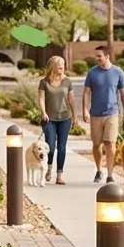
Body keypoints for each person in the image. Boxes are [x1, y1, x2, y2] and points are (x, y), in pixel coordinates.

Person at [82, 45, 124, 183]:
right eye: (96, 56)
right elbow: (86, 92)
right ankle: (99, 170)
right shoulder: (92, 73)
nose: (97, 58)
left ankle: (110, 174)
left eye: (99, 56)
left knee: (110, 143)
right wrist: (85, 110)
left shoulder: (118, 72)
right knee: (97, 144)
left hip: (112, 113)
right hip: (95, 114)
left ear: (107, 56)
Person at [36, 56, 77, 184]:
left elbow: (71, 100)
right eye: (60, 66)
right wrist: (43, 113)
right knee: (51, 147)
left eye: (63, 66)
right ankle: (48, 169)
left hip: (65, 117)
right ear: (53, 67)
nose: (62, 68)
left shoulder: (67, 82)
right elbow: (41, 99)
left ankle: (59, 175)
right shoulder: (44, 82)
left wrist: (75, 117)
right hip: (49, 119)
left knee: (62, 147)